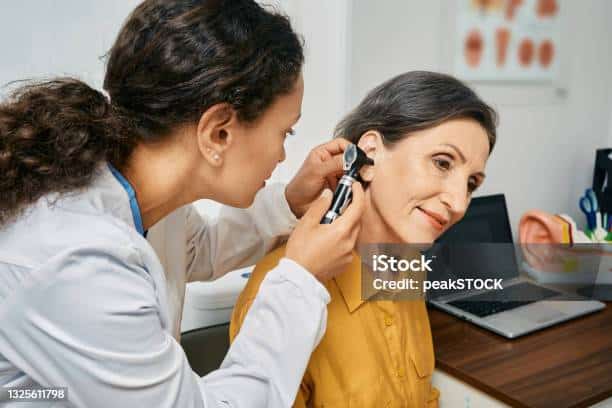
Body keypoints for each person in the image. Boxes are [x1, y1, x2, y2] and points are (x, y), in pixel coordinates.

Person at [0, 1, 365, 407]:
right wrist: (300, 278)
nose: (282, 155)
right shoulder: (74, 260)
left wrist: (289, 203)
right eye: (285, 132)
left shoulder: (140, 192)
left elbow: (195, 249)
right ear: (218, 132)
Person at [230, 71, 498, 407]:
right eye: (442, 163)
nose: (459, 203)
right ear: (369, 154)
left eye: (471, 184)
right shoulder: (281, 292)